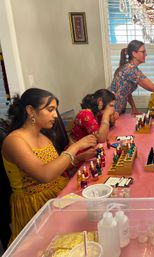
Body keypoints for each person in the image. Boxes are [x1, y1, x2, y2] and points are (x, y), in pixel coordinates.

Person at [0, 88, 97, 242]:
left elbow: (56, 167)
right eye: (50, 110)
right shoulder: (14, 141)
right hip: (34, 204)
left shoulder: (43, 136)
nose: (55, 115)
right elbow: (45, 175)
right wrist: (75, 147)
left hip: (56, 193)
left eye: (55, 110)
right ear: (31, 110)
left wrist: (79, 158)